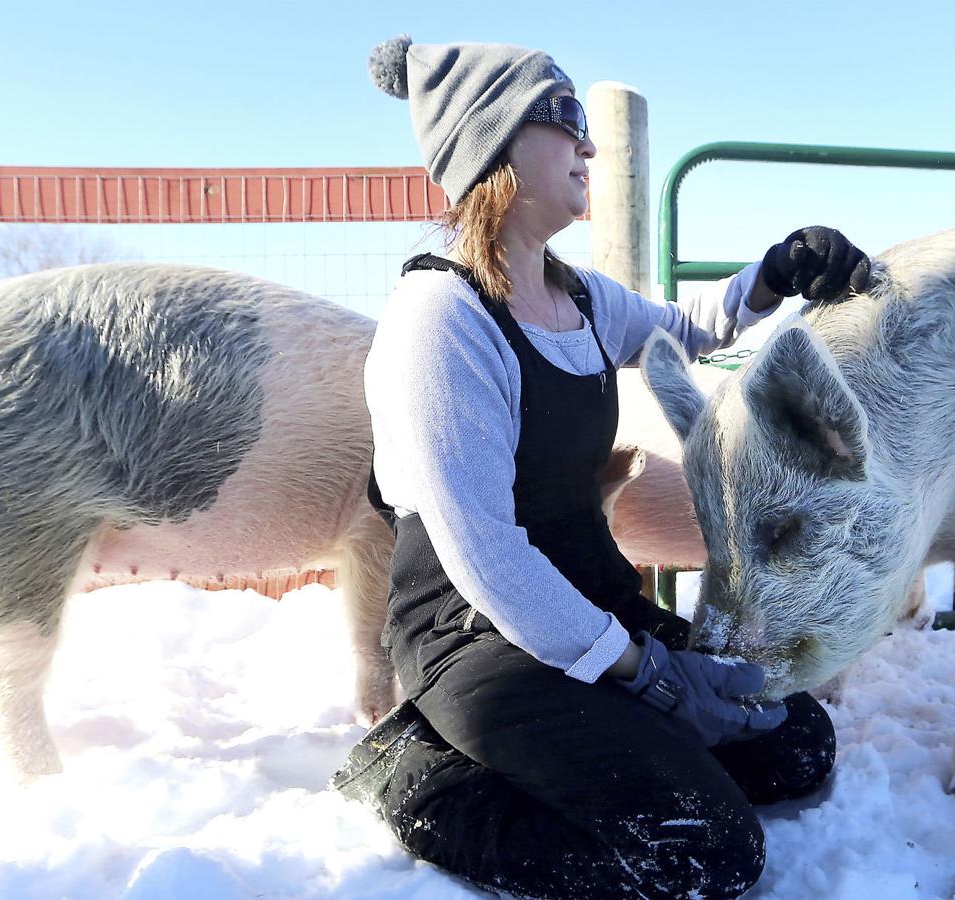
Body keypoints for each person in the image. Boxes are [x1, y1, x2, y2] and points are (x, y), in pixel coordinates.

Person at [332, 35, 871, 899]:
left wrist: (776, 273)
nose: (588, 145)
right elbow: (488, 560)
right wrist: (649, 676)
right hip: (480, 640)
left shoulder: (574, 297)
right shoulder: (440, 321)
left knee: (797, 741)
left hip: (590, 609)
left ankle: (597, 740)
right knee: (707, 853)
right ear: (496, 141)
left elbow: (687, 327)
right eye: (566, 117)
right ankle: (419, 778)